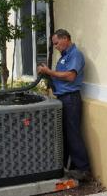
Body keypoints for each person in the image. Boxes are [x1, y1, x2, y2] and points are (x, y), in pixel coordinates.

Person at [37, 29, 91, 181]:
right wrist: (47, 73)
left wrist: (49, 71)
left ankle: (83, 169)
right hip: (62, 99)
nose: (55, 46)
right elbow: (59, 77)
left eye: (56, 43)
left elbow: (70, 76)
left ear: (66, 38)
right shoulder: (64, 57)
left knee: (73, 134)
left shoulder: (75, 55)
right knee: (64, 134)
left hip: (71, 100)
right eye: (53, 44)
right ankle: (68, 166)